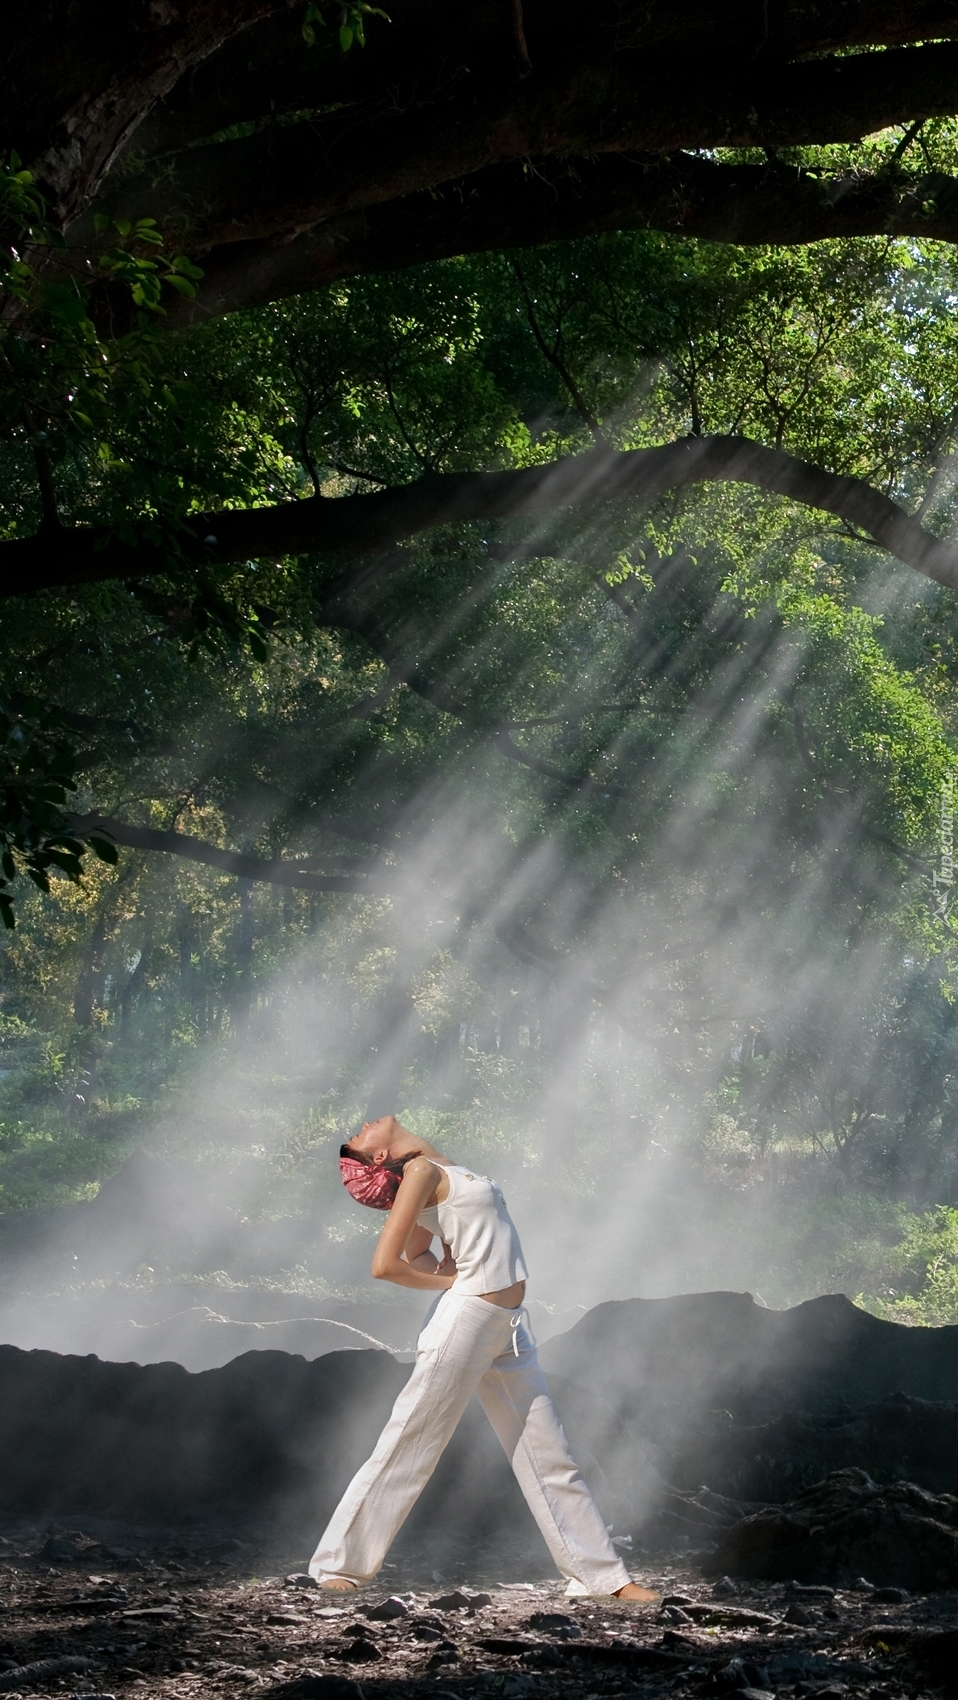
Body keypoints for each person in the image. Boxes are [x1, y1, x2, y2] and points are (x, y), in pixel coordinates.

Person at [309, 1113, 658, 1601]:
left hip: (508, 1327)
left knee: (549, 1453)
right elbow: (387, 1265)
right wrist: (452, 1281)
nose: (363, 1125)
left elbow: (420, 1252)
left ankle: (601, 1578)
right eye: (359, 1136)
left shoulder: (440, 1167)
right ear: (381, 1156)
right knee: (411, 1441)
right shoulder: (420, 1173)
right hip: (466, 1321)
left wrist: (445, 1268)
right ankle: (339, 1565)